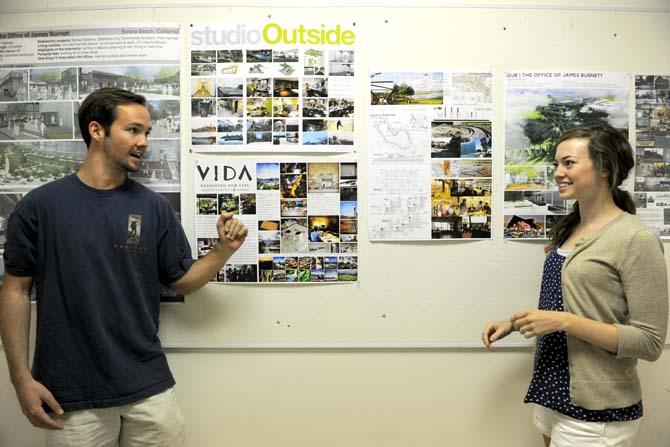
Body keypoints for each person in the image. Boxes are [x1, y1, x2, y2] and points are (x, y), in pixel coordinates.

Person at [0, 88, 248, 446]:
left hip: (148, 389)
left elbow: (181, 281)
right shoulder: (40, 206)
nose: (144, 142)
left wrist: (223, 251)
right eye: (133, 130)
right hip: (71, 395)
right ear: (97, 131)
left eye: (147, 132)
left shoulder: (154, 207)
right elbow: (15, 290)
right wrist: (20, 379)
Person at [482, 124, 668, 447]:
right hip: (552, 392)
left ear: (605, 169)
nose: (558, 172)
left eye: (568, 163)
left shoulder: (636, 239)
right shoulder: (569, 229)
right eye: (556, 164)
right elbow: (563, 302)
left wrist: (565, 323)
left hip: (595, 411)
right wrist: (512, 322)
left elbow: (650, 341)